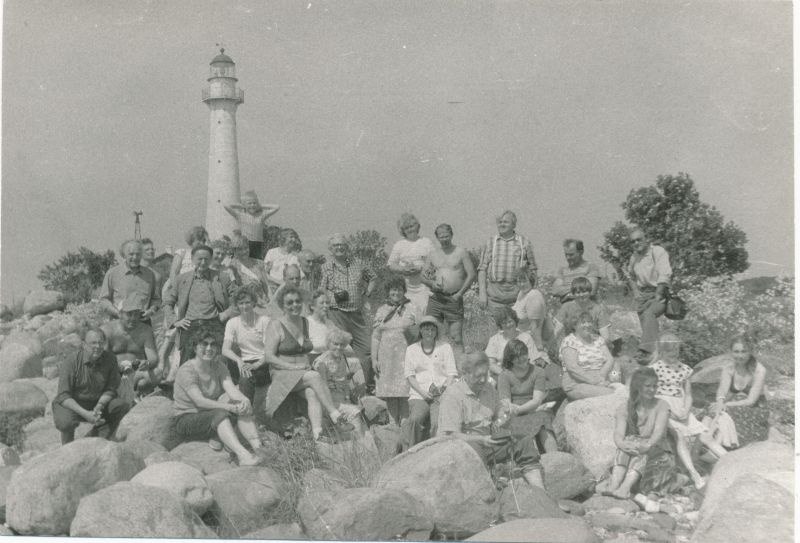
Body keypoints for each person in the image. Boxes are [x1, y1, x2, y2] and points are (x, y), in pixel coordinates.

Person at [263, 285, 359, 440]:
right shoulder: (276, 324)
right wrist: (292, 367)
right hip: (282, 373)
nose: (295, 305)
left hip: (302, 373)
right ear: (282, 306)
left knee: (312, 392)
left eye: (297, 301)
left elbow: (325, 339)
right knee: (314, 377)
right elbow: (268, 356)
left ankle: (317, 434)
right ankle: (336, 416)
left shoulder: (305, 322)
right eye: (290, 303)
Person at [437, 350, 544, 488]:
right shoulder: (453, 395)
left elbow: (500, 417)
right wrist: (480, 440)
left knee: (524, 441)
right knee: (475, 450)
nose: (483, 380)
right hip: (463, 448)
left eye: (485, 374)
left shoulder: (488, 388)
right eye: (478, 376)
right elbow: (450, 435)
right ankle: (490, 488)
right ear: (465, 373)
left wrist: (505, 415)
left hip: (488, 442)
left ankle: (540, 491)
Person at [173, 327, 262, 466]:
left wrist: (244, 400)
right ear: (195, 347)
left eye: (213, 344)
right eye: (204, 344)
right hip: (188, 419)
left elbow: (231, 389)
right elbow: (200, 401)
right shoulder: (187, 370)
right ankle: (243, 455)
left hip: (210, 413)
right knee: (221, 413)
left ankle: (259, 449)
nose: (209, 348)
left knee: (241, 405)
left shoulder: (218, 365)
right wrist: (229, 407)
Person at [649, 333, 727, 489]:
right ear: (662, 352)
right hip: (664, 408)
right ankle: (694, 474)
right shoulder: (654, 369)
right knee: (679, 436)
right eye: (670, 352)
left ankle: (732, 461)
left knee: (705, 435)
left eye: (676, 351)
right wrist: (669, 411)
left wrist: (686, 409)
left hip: (681, 407)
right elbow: (651, 394)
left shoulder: (684, 369)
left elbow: (688, 394)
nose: (674, 355)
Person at [605, 367, 678, 504]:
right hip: (634, 453)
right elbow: (618, 433)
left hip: (659, 453)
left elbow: (658, 432)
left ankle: (625, 488)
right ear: (638, 387)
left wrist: (647, 445)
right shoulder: (625, 407)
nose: (652, 389)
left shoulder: (662, 405)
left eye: (655, 386)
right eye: (648, 386)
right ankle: (615, 484)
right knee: (627, 442)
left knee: (641, 446)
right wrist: (622, 444)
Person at [318, 233, 378, 392]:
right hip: (336, 313)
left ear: (347, 247)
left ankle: (367, 386)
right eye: (335, 245)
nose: (339, 248)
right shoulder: (325, 267)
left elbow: (373, 277)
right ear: (330, 249)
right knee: (339, 350)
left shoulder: (358, 264)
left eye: (342, 244)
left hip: (357, 314)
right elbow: (321, 290)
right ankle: (341, 388)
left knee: (365, 351)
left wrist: (367, 294)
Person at [53, 329, 130, 444]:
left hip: (96, 401)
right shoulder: (71, 361)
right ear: (84, 345)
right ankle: (67, 448)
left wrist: (100, 405)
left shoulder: (110, 359)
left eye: (100, 343)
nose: (98, 346)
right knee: (66, 422)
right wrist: (86, 414)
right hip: (72, 403)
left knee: (120, 406)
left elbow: (111, 388)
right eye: (93, 343)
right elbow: (63, 396)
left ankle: (92, 440)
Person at [164, 245, 237, 364]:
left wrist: (227, 313)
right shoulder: (182, 279)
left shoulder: (223, 278)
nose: (203, 262)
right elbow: (167, 302)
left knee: (216, 364)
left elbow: (239, 298)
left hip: (214, 324)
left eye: (207, 259)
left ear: (211, 259)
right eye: (200, 259)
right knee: (187, 364)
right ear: (192, 259)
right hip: (190, 326)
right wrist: (174, 321)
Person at [402, 316, 458, 449]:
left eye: (433, 329)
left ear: (436, 332)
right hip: (419, 394)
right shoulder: (411, 349)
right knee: (415, 419)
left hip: (442, 393)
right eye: (426, 329)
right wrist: (423, 392)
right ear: (420, 331)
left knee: (437, 424)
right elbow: (410, 376)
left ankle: (435, 452)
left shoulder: (445, 347)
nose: (429, 332)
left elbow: (451, 373)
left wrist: (445, 389)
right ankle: (410, 451)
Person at [421, 223, 476, 355]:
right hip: (436, 299)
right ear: (437, 238)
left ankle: (460, 370)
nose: (444, 239)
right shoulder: (432, 255)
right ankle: (433, 368)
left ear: (451, 235)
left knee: (456, 338)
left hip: (454, 298)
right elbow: (422, 277)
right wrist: (431, 284)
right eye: (441, 237)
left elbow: (471, 274)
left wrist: (460, 293)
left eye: (446, 236)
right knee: (430, 335)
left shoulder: (461, 252)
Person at [706, 335, 769, 447]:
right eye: (736, 351)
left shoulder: (759, 370)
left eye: (744, 351)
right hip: (735, 404)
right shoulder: (729, 368)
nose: (740, 355)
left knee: (725, 413)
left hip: (754, 409)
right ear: (731, 352)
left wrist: (726, 404)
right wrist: (720, 402)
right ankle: (705, 445)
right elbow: (722, 390)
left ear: (750, 352)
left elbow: (751, 401)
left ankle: (716, 448)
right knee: (711, 410)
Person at [372, 275, 418, 425]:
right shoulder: (381, 310)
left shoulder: (412, 308)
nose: (396, 293)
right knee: (390, 392)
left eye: (399, 289)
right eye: (393, 289)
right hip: (386, 357)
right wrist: (374, 359)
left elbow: (420, 333)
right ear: (388, 291)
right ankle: (393, 424)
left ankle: (405, 424)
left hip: (406, 356)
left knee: (404, 391)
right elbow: (375, 336)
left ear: (404, 291)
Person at [497, 339, 558, 453]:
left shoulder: (538, 372)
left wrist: (520, 409)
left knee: (543, 420)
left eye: (523, 354)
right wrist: (513, 410)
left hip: (534, 408)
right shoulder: (504, 376)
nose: (521, 359)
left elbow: (537, 400)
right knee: (511, 424)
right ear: (510, 359)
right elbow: (506, 402)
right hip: (513, 411)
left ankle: (555, 456)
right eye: (516, 357)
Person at [477, 210, 537, 321]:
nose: (502, 224)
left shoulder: (524, 242)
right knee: (497, 331)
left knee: (519, 329)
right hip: (495, 297)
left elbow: (533, 269)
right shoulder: (490, 242)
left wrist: (532, 294)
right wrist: (482, 293)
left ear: (514, 224)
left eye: (505, 222)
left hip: (518, 296)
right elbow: (482, 269)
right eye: (499, 222)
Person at [100, 297, 160, 402]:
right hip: (114, 373)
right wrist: (117, 367)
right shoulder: (107, 329)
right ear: (120, 314)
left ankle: (137, 394)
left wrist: (147, 363)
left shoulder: (145, 330)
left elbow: (153, 358)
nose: (133, 318)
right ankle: (123, 395)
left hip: (136, 373)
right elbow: (101, 358)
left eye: (136, 314)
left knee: (158, 373)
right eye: (129, 314)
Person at [221, 290, 271, 411]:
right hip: (245, 362)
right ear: (237, 305)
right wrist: (238, 360)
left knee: (246, 377)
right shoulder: (232, 323)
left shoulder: (264, 320)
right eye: (241, 303)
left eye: (248, 302)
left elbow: (270, 350)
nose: (245, 306)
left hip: (265, 362)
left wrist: (256, 365)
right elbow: (225, 349)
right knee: (243, 373)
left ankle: (246, 413)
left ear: (254, 303)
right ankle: (245, 410)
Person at [627, 229, 671, 362]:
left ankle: (646, 351)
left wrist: (658, 293)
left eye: (639, 239)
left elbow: (664, 274)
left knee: (649, 313)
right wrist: (635, 291)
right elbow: (630, 276)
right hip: (643, 295)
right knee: (644, 319)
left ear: (646, 239)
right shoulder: (634, 258)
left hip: (660, 292)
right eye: (633, 241)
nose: (636, 243)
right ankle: (653, 355)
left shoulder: (657, 252)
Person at [560, 312, 618, 400]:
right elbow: (572, 368)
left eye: (589, 322)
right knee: (611, 394)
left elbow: (610, 359)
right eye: (583, 322)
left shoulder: (598, 339)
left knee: (622, 389)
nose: (587, 325)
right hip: (577, 382)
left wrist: (601, 376)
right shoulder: (569, 341)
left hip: (601, 377)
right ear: (575, 325)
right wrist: (595, 381)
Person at [100, 239, 161, 322]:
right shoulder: (113, 273)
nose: (135, 257)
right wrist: (117, 313)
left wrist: (151, 311)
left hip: (143, 324)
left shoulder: (149, 274)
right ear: (124, 255)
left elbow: (156, 299)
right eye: (131, 254)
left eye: (138, 254)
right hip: (119, 323)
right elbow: (103, 300)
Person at [387, 213, 436, 314]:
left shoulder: (426, 242)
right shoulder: (399, 245)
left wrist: (420, 268)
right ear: (402, 231)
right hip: (405, 286)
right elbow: (391, 265)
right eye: (406, 228)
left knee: (424, 311)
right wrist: (404, 269)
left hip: (424, 285)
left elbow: (435, 262)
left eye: (411, 226)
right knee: (407, 313)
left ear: (417, 226)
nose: (410, 229)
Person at [313, 328, 361, 409]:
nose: (339, 347)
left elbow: (344, 381)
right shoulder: (321, 362)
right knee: (355, 412)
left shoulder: (341, 358)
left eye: (342, 344)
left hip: (342, 397)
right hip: (328, 401)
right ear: (328, 344)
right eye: (335, 344)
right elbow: (323, 388)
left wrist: (347, 398)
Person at [224, 190, 280, 259]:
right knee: (243, 262)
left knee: (256, 264)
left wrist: (259, 206)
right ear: (244, 205)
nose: (252, 205)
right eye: (249, 203)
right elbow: (226, 206)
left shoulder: (261, 216)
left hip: (258, 244)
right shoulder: (240, 216)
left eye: (254, 203)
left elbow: (277, 207)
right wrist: (242, 206)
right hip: (245, 243)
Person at [485, 306, 538, 378]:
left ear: (515, 321)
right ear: (500, 325)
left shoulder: (526, 338)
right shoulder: (494, 340)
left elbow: (533, 361)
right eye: (504, 323)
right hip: (500, 375)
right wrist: (505, 375)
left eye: (510, 321)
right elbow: (490, 364)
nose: (508, 325)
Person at [554, 277, 611, 341]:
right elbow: (557, 329)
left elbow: (605, 335)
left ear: (590, 292)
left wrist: (603, 347)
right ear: (573, 294)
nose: (581, 295)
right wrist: (549, 346)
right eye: (578, 292)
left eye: (584, 292)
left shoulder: (598, 309)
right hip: (573, 342)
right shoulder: (566, 307)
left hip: (592, 341)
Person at [224, 235, 271, 306]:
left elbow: (266, 285)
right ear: (234, 250)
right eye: (240, 249)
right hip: (245, 304)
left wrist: (270, 300)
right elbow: (234, 291)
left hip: (263, 302)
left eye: (246, 248)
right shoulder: (231, 267)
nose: (244, 251)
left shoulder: (258, 263)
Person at [511, 267, 549, 352]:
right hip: (519, 339)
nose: (521, 284)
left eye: (524, 281)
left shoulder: (533, 296)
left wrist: (538, 348)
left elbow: (535, 326)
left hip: (529, 343)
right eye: (519, 281)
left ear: (531, 281)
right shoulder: (522, 293)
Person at [263, 228, 303, 294]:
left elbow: (300, 277)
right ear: (283, 238)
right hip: (272, 288)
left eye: (295, 237)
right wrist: (279, 282)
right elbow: (264, 273)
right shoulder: (272, 252)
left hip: (289, 290)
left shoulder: (296, 257)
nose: (294, 240)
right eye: (291, 237)